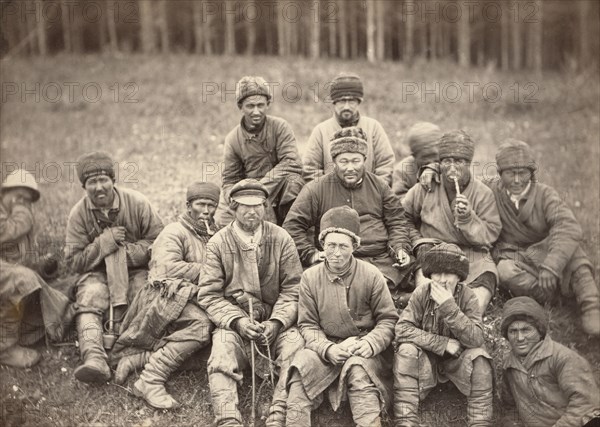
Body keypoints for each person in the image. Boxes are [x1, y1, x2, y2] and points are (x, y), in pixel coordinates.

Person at [197, 179, 304, 426]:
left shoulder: (281, 238)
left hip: (275, 326)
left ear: (266, 207)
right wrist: (237, 322)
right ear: (233, 208)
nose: (252, 212)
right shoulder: (218, 243)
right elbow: (209, 295)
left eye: (258, 205)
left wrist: (277, 322)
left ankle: (280, 412)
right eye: (245, 206)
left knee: (296, 346)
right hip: (236, 327)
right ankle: (227, 418)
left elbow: (294, 289)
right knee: (222, 349)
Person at [286, 206, 399, 426]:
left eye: (343, 246)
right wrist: (327, 349)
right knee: (301, 367)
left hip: (362, 348)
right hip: (326, 347)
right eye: (331, 245)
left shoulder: (371, 275)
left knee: (359, 373)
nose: (336, 253)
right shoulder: (310, 277)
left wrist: (371, 342)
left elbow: (388, 319)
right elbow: (307, 324)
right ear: (322, 245)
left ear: (355, 247)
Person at [111, 182, 220, 409]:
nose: (207, 211)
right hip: (163, 296)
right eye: (201, 204)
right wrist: (211, 271)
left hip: (195, 297)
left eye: (212, 205)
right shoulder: (174, 232)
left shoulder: (215, 234)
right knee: (201, 327)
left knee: (221, 337)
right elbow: (165, 270)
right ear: (189, 206)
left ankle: (140, 359)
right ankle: (150, 380)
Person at [64, 151, 164, 383]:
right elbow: (72, 262)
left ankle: (131, 350)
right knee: (90, 295)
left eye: (103, 180)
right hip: (95, 273)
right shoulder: (78, 215)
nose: (99, 187)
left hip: (136, 268)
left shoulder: (137, 203)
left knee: (142, 293)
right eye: (91, 182)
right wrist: (103, 244)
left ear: (113, 181)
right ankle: (94, 358)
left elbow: (160, 242)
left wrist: (123, 254)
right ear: (84, 186)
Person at [491, 139, 600, 336]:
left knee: (573, 249)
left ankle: (590, 305)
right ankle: (554, 297)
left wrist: (551, 265)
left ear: (531, 173)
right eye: (510, 173)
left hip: (546, 251)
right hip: (518, 257)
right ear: (499, 174)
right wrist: (429, 170)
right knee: (504, 271)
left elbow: (567, 226)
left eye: (522, 173)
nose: (516, 180)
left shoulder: (545, 194)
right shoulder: (492, 192)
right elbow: (464, 182)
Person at [284, 126, 413, 292]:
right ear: (334, 162)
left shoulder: (380, 186)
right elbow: (292, 226)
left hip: (380, 261)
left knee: (404, 271)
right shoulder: (316, 188)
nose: (350, 167)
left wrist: (400, 248)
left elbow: (397, 222)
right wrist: (311, 254)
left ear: (364, 160)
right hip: (335, 261)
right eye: (344, 161)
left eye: (356, 161)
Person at [393, 243, 493, 426]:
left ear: (459, 276)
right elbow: (402, 329)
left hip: (458, 364)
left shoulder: (468, 296)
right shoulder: (421, 293)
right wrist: (442, 343)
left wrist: (449, 306)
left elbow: (476, 339)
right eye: (437, 273)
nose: (442, 279)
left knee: (479, 358)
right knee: (406, 350)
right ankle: (406, 421)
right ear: (429, 275)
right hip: (425, 363)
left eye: (448, 274)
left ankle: (480, 422)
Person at [402, 130, 502, 313]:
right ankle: (426, 309)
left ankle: (470, 317)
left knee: (487, 275)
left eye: (459, 161)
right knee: (425, 280)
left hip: (470, 252)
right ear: (439, 163)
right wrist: (417, 240)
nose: (452, 167)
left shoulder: (482, 194)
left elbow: (490, 235)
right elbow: (402, 217)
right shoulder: (426, 186)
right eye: (446, 161)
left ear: (469, 164)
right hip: (433, 248)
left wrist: (468, 219)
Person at [0, 169, 74, 368]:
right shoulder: (16, 219)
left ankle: (26, 330)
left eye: (27, 200)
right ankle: (5, 349)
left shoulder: (15, 219)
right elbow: (8, 233)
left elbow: (15, 261)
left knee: (56, 286)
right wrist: (22, 213)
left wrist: (39, 266)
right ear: (3, 193)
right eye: (17, 197)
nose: (22, 204)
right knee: (21, 280)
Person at [215, 76, 304, 227]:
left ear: (268, 104)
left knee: (293, 183)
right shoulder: (233, 139)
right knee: (222, 221)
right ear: (240, 107)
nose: (256, 111)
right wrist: (237, 198)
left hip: (278, 187)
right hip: (248, 193)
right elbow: (230, 179)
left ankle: (291, 228)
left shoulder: (280, 127)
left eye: (260, 105)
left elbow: (292, 163)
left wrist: (260, 189)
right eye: (250, 106)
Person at [499, 296, 600, 426]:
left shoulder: (563, 358)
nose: (519, 338)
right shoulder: (509, 366)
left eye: (526, 330)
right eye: (513, 331)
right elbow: (510, 407)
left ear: (539, 331)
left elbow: (585, 405)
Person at [303, 73, 395, 185]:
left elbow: (385, 165)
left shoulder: (373, 128)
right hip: (330, 197)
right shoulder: (321, 131)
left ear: (359, 102)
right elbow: (310, 169)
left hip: (368, 196)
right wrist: (325, 194)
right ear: (334, 103)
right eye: (342, 101)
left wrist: (375, 191)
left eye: (351, 101)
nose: (346, 106)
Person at [392, 122, 442, 200]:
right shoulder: (403, 170)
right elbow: (397, 201)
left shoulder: (448, 164)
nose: (431, 161)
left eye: (434, 155)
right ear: (414, 156)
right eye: (425, 157)